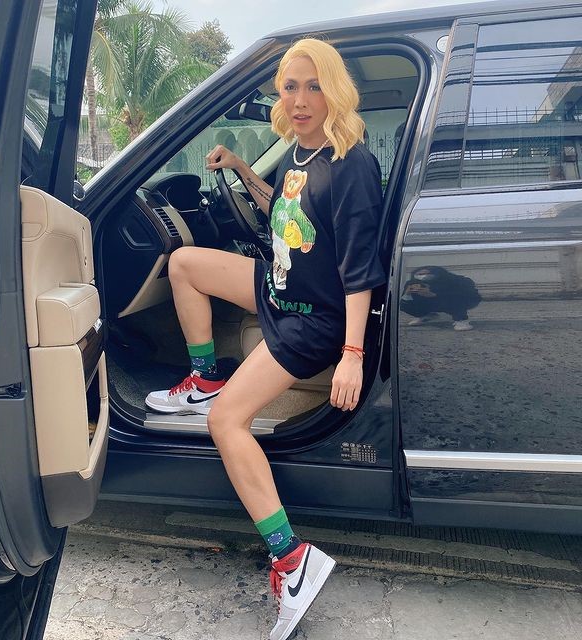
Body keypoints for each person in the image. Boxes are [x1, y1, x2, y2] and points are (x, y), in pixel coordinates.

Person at [145, 38, 386, 640]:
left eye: (314, 86)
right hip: (280, 287)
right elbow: (281, 209)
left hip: (314, 318)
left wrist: (351, 354)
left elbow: (360, 270)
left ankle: (291, 559)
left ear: (335, 90)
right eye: (290, 88)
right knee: (185, 264)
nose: (301, 100)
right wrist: (241, 168)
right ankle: (204, 376)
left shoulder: (351, 164)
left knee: (226, 422)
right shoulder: (301, 153)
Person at [401, 266, 481, 331]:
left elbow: (461, 296)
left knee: (455, 299)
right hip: (432, 303)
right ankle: (426, 315)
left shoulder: (453, 280)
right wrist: (407, 294)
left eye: (427, 273)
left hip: (464, 300)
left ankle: (461, 320)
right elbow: (403, 301)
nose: (423, 276)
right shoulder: (412, 283)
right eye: (420, 274)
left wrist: (434, 294)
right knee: (402, 303)